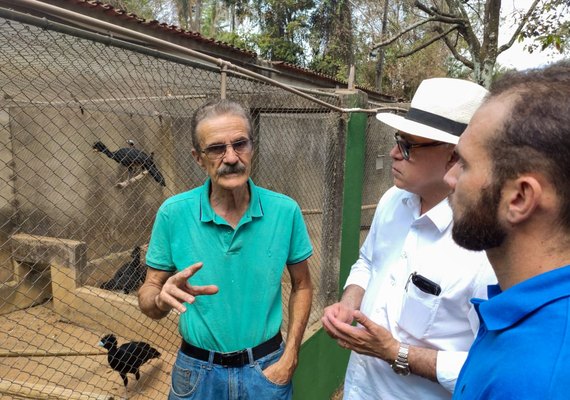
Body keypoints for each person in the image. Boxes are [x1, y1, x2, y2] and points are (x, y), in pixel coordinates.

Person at [322, 77, 496, 399]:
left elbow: (491, 369)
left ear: (454, 157)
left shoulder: (483, 251)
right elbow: (368, 261)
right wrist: (349, 302)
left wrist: (396, 352)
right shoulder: (393, 200)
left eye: (408, 145)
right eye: (396, 140)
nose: (393, 153)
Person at [138, 99, 313, 400]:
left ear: (252, 147)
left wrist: (291, 354)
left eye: (239, 144)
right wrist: (160, 298)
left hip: (267, 370)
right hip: (197, 374)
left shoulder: (285, 211)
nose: (231, 157)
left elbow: (303, 285)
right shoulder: (173, 214)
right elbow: (149, 295)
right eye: (217, 148)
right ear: (198, 158)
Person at [444, 62, 570, 399]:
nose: (450, 178)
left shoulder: (535, 380)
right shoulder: (527, 312)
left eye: (464, 164)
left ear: (520, 197)